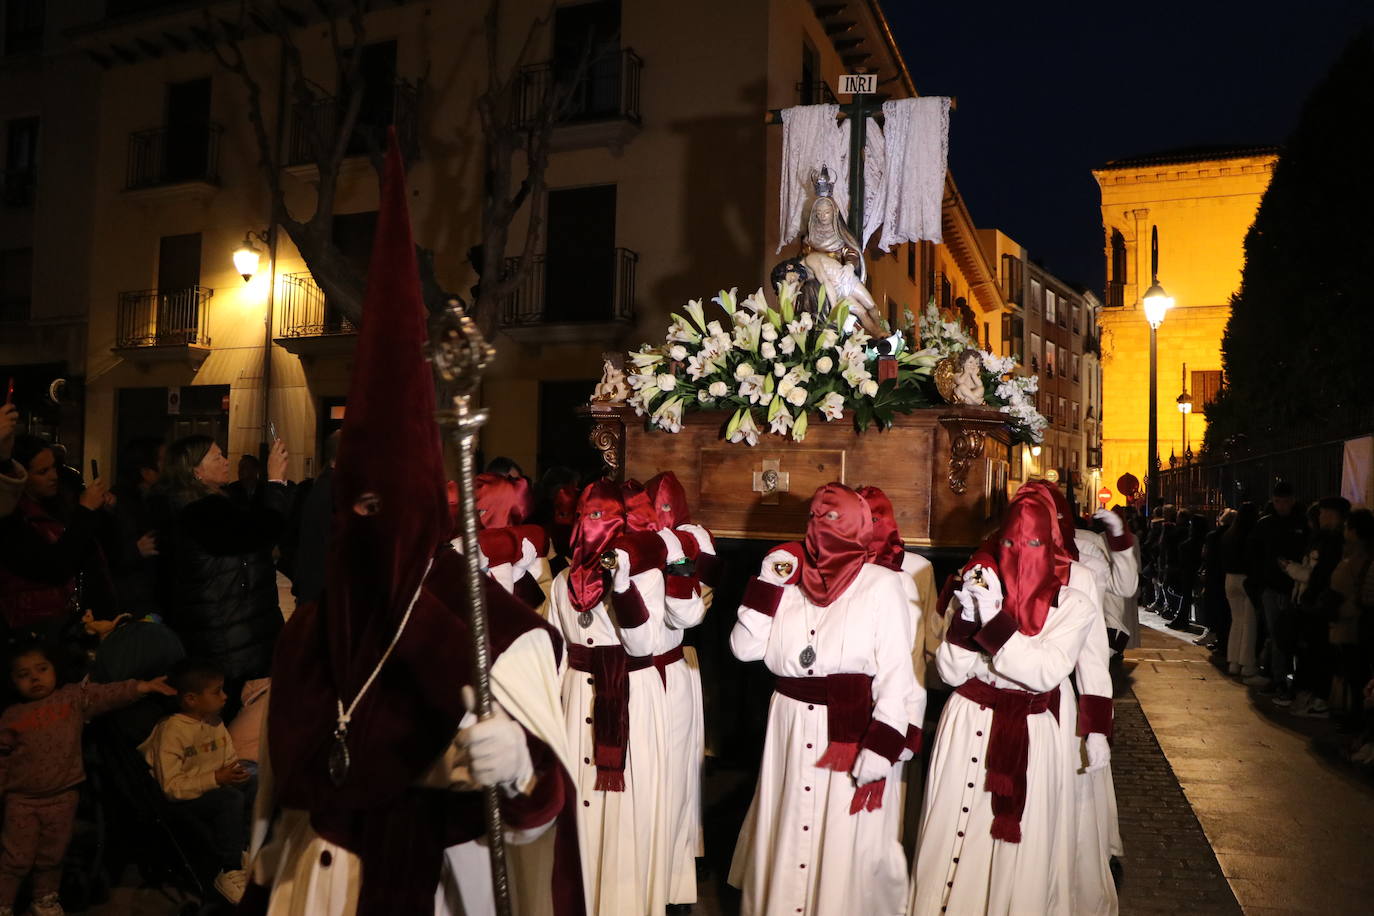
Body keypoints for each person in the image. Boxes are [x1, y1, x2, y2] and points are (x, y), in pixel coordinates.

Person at [243, 135, 581, 916]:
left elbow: (541, 826)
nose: (365, 523)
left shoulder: (501, 634)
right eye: (351, 504)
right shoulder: (310, 633)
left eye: (384, 505)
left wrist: (523, 771)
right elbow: (276, 801)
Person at [730, 483, 917, 916]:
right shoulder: (786, 577)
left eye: (835, 518)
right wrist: (766, 583)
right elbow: (744, 649)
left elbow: (896, 671)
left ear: (859, 525)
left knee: (844, 840)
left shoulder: (884, 584)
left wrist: (883, 743)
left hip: (849, 730)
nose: (823, 527)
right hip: (790, 727)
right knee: (789, 827)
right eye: (816, 517)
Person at [909, 492, 1095, 916]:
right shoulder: (975, 590)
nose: (1019, 555)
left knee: (1017, 845)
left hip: (1030, 734)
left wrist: (995, 622)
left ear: (1051, 548)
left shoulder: (1074, 606)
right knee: (950, 831)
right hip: (966, 721)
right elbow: (952, 672)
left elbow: (1044, 671)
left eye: (1032, 545)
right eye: (1010, 544)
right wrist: (971, 614)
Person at [548, 479, 671, 914]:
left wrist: (622, 587)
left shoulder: (647, 576)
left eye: (598, 516)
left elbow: (642, 647)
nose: (587, 525)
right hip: (577, 698)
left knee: (624, 815)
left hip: (631, 699)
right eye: (583, 515)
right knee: (576, 808)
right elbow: (555, 651)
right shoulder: (563, 579)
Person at [0, 639, 175, 916]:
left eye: (41, 669)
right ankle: (4, 903)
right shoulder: (10, 717)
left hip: (63, 797)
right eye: (24, 675)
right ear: (12, 681)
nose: (34, 678)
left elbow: (105, 694)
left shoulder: (71, 699)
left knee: (52, 856)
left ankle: (44, 900)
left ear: (54, 669)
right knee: (16, 858)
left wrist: (141, 687)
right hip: (22, 800)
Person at [158, 434, 289, 718]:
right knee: (229, 716)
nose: (227, 461)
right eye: (217, 457)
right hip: (228, 635)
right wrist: (277, 482)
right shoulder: (199, 511)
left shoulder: (211, 504)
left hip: (232, 630)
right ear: (195, 470)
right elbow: (260, 531)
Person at [643, 471, 718, 912]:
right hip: (643, 669)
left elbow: (696, 606)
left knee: (681, 769)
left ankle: (680, 863)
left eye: (668, 510)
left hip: (678, 664)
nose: (662, 519)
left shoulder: (692, 548)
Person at [140, 658, 257, 904]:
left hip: (214, 786)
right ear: (191, 699)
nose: (225, 697)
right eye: (217, 692)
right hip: (183, 799)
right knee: (230, 799)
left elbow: (228, 759)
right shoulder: (173, 731)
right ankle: (229, 868)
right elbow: (172, 787)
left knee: (257, 782)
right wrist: (216, 778)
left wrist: (236, 773)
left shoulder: (214, 721)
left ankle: (245, 847)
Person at [0, 434, 116, 639]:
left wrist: (101, 511)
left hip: (76, 619)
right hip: (38, 627)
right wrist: (86, 511)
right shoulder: (14, 519)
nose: (53, 476)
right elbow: (54, 566)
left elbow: (93, 552)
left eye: (54, 467)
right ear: (22, 475)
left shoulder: (60, 503)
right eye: (43, 472)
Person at [1281, 496, 1350, 717]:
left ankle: (1318, 698)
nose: (1320, 517)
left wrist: (1307, 591)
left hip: (1320, 604)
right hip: (1312, 602)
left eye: (1323, 513)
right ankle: (1311, 694)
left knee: (1318, 653)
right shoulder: (1324, 539)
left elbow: (1320, 575)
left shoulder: (1332, 542)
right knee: (1311, 651)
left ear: (1332, 514)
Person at [1245, 481, 1309, 698]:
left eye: (1285, 501)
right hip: (1273, 586)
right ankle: (1278, 677)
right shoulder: (1266, 525)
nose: (1281, 506)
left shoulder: (1301, 523)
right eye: (1278, 502)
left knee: (1287, 634)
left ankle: (1282, 677)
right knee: (1276, 633)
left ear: (1292, 501)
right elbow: (1254, 555)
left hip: (1292, 587)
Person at [105, 437, 166, 620]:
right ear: (146, 471)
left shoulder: (155, 498)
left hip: (149, 594)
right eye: (163, 460)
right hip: (134, 601)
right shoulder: (118, 502)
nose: (169, 466)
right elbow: (108, 554)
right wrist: (135, 550)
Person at [1223, 503, 1261, 677]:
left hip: (1230, 578)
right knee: (1249, 623)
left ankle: (1233, 662)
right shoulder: (1252, 534)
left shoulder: (1230, 534)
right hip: (1247, 579)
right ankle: (1247, 664)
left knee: (1236, 621)